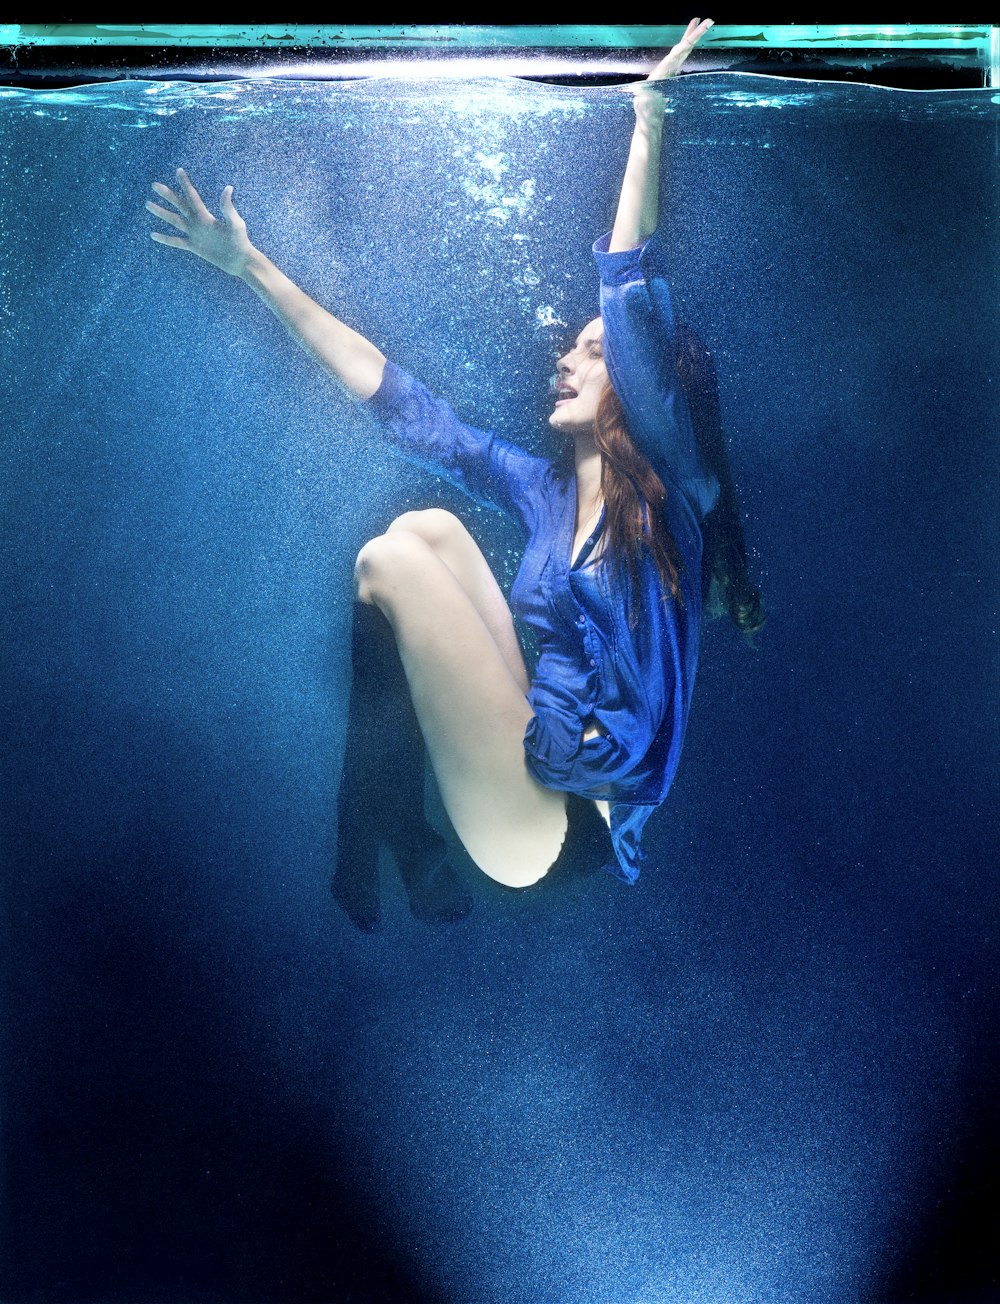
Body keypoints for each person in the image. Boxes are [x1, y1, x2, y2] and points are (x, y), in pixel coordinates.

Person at [147, 18, 762, 931]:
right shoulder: (547, 493)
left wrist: (649, 116)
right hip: (539, 759)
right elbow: (403, 405)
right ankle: (388, 823)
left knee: (383, 565)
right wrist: (251, 268)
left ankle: (383, 827)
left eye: (594, 356)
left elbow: (627, 280)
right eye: (574, 348)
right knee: (422, 535)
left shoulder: (669, 496)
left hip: (557, 822)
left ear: (636, 389)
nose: (566, 359)